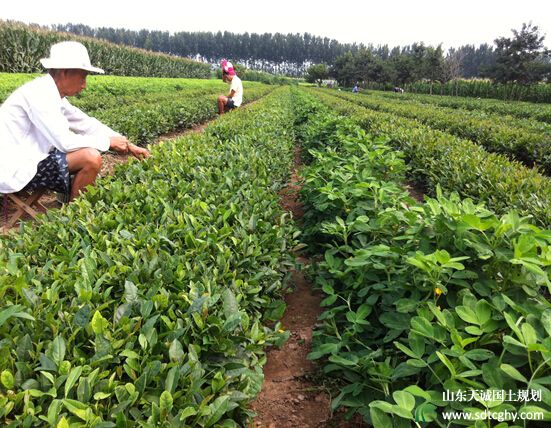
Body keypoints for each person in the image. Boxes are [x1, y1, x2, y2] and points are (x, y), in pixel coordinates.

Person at [0, 41, 150, 202]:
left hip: (29, 158)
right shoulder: (39, 95)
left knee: (83, 151)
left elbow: (86, 123)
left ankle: (68, 204)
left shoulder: (51, 93)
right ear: (65, 72)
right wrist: (108, 142)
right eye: (83, 76)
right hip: (13, 167)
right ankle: (74, 216)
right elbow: (65, 142)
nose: (84, 85)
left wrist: (127, 144)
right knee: (90, 157)